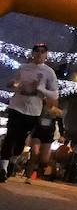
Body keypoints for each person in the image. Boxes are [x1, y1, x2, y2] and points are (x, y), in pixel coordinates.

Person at [2, 44, 59, 183]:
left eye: (43, 52)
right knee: (11, 135)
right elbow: (13, 82)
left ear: (46, 55)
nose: (39, 54)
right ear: (32, 53)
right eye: (37, 51)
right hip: (17, 105)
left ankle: (13, 161)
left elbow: (55, 94)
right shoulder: (23, 68)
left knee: (21, 138)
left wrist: (41, 89)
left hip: (33, 109)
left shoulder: (49, 72)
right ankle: (2, 167)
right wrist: (14, 84)